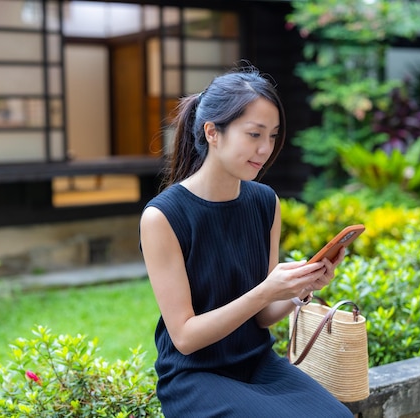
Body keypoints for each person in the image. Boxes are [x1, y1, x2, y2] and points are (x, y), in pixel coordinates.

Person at [139, 65, 354, 418]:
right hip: (195, 377)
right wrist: (267, 290)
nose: (266, 148)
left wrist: (301, 288)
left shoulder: (264, 202)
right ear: (212, 132)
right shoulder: (163, 216)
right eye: (254, 134)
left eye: (272, 135)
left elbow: (263, 317)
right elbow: (186, 337)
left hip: (257, 364)